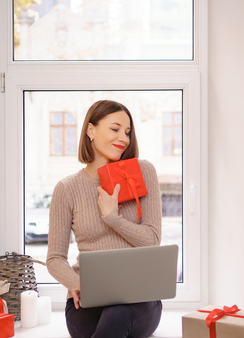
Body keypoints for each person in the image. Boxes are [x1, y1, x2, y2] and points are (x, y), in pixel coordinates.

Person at [46, 100, 163, 338]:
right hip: (87, 299)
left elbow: (152, 240)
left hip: (139, 299)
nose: (124, 138)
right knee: (110, 321)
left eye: (128, 132)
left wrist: (113, 218)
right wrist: (76, 283)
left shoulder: (143, 172)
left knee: (117, 315)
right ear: (91, 130)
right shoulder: (67, 188)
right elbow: (55, 258)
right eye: (115, 128)